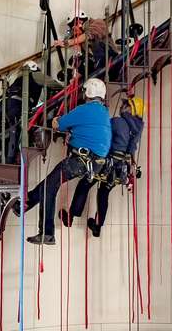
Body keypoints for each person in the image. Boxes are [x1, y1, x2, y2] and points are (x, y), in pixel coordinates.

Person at [13, 78, 111, 245]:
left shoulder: (84, 110)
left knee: (49, 188)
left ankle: (47, 233)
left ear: (86, 93)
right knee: (49, 184)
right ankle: (24, 204)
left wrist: (56, 119)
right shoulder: (103, 112)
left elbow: (59, 125)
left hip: (79, 161)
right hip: (94, 164)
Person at [60, 96, 144, 237]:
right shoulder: (137, 128)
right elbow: (131, 149)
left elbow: (101, 135)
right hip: (120, 168)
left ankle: (71, 216)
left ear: (131, 109)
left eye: (126, 105)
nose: (122, 107)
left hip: (105, 162)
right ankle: (98, 226)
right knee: (104, 193)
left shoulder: (118, 122)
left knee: (85, 184)